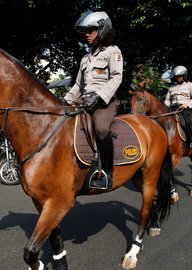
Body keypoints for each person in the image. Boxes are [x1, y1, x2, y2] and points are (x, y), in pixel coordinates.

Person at [64, 11, 123, 190]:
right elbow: (78, 85)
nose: (87, 35)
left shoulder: (113, 52)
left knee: (101, 129)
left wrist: (98, 97)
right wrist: (65, 101)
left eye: (91, 30)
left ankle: (107, 174)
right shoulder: (86, 58)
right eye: (86, 32)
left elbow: (116, 78)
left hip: (104, 104)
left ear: (102, 30)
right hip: (84, 103)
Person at [164, 65, 192, 152]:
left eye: (180, 76)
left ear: (184, 76)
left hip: (184, 108)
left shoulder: (190, 85)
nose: (178, 78)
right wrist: (164, 108)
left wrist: (186, 104)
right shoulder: (171, 87)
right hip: (172, 109)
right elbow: (168, 100)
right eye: (176, 76)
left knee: (188, 120)